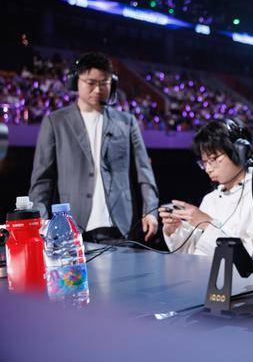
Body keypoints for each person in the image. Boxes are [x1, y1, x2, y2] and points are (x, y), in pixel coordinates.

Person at [29, 52, 159, 243]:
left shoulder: (127, 122)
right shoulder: (55, 122)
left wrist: (150, 211)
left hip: (120, 228)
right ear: (76, 81)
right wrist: (40, 220)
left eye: (104, 83)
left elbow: (144, 172)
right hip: (71, 229)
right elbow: (42, 180)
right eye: (91, 83)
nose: (98, 89)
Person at [161, 118, 253, 260]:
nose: (208, 169)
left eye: (213, 159)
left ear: (239, 152)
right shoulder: (210, 199)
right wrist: (176, 231)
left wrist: (209, 225)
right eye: (204, 162)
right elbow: (195, 251)